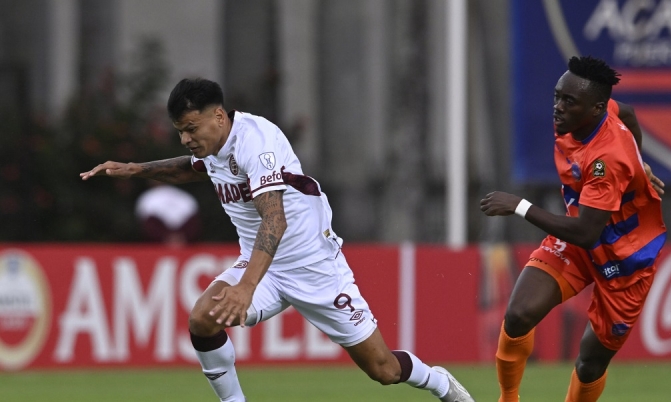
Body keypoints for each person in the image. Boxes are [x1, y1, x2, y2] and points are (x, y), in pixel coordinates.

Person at [80, 78, 474, 402]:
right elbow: (195, 168)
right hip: (263, 265)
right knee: (202, 319)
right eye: (180, 131)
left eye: (190, 129)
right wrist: (135, 170)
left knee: (383, 369)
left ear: (218, 116)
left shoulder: (256, 142)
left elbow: (275, 219)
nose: (185, 139)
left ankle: (440, 383)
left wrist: (245, 288)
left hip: (314, 266)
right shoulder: (213, 144)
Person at [480, 56, 667, 402]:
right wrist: (641, 163)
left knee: (589, 364)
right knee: (518, 314)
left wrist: (519, 206)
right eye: (557, 97)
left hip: (625, 260)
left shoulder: (607, 160)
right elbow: (627, 113)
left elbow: (586, 232)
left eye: (569, 101)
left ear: (595, 109)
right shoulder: (587, 116)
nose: (558, 107)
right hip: (581, 240)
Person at [135, 181, 201, 246]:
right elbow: (147, 224)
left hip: (184, 238)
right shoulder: (148, 197)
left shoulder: (184, 196)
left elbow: (192, 221)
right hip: (157, 241)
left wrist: (180, 236)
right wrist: (165, 236)